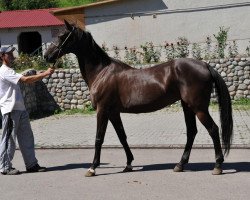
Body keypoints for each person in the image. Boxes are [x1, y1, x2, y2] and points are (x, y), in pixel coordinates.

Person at [0, 46, 54, 175]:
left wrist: (41, 74)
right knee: (9, 140)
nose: (12, 56)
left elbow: (23, 78)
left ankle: (31, 165)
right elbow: (26, 80)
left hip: (20, 109)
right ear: (2, 56)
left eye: (12, 53)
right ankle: (5, 167)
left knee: (27, 138)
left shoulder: (10, 71)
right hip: (10, 109)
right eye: (9, 54)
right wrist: (45, 73)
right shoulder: (4, 71)